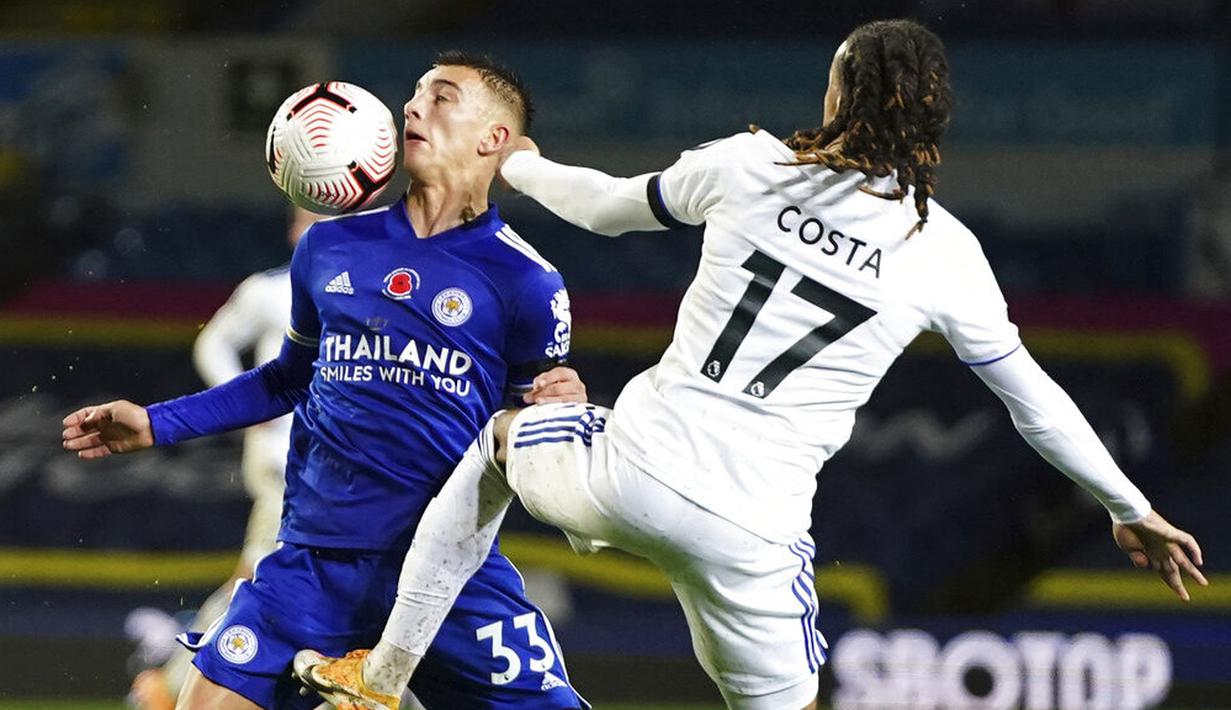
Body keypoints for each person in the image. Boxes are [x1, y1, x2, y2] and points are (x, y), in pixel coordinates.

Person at [295, 19, 1209, 710]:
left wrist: (523, 166)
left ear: (837, 93)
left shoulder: (751, 165)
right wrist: (1128, 507)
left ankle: (383, 678)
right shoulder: (945, 253)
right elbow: (1032, 402)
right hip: (753, 537)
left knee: (497, 442)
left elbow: (607, 207)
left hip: (626, 476)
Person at [62, 51, 590, 710]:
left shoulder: (527, 281)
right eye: (415, 93)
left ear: (494, 138)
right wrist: (156, 421)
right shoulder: (329, 247)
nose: (413, 107)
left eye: (442, 97)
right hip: (310, 564)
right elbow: (288, 379)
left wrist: (557, 413)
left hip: (444, 574)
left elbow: (530, 432)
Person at [127, 206, 321, 710]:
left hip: (347, 470)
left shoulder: (380, 285)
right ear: (293, 230)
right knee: (260, 576)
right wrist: (250, 408)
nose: (318, 226)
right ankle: (171, 684)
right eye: (308, 217)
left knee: (262, 577)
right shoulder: (270, 289)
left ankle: (174, 676)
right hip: (287, 464)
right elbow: (213, 343)